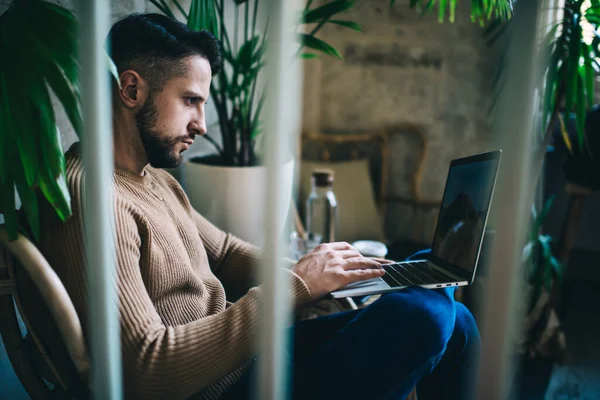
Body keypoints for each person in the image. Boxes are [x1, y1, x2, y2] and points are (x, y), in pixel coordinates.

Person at [38, 13, 480, 400]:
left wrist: (321, 277)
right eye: (190, 100)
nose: (202, 124)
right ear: (131, 89)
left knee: (436, 290)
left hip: (258, 363)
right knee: (428, 312)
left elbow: (227, 252)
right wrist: (294, 289)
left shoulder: (154, 180)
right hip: (226, 390)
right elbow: (144, 371)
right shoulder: (92, 198)